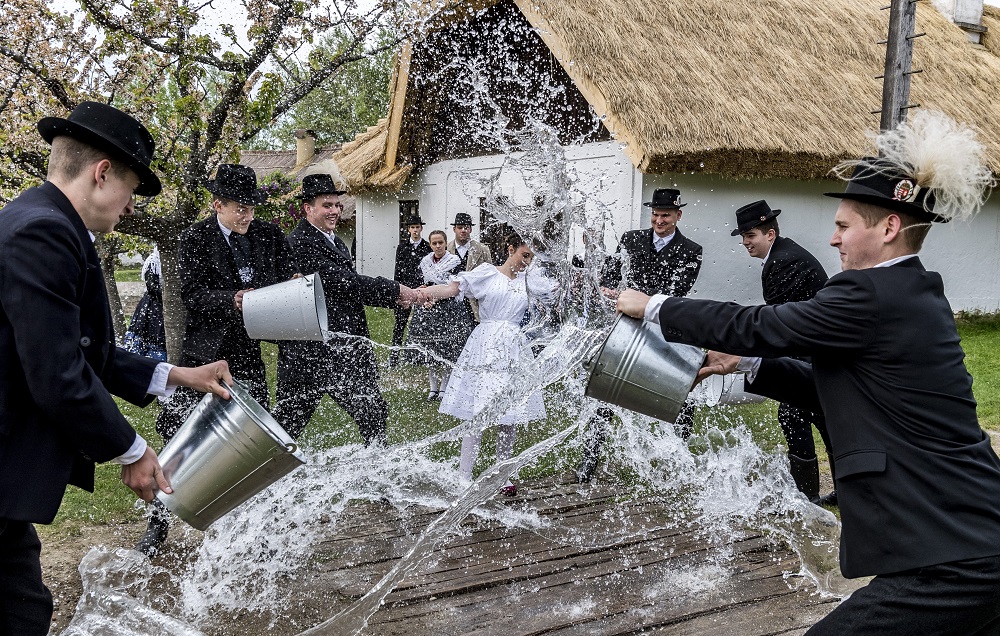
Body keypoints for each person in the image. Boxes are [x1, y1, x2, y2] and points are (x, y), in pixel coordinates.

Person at [617, 111, 1000, 635]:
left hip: (950, 557)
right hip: (967, 540)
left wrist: (656, 306)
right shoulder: (912, 292)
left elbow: (757, 323)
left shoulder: (868, 292)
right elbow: (829, 387)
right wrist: (745, 362)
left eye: (844, 226)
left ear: (888, 227)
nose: (834, 240)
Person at [0, 101, 232, 634]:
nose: (130, 208)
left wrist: (177, 374)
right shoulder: (44, 233)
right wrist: (131, 449)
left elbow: (83, 349)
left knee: (23, 607)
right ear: (102, 173)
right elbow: (58, 373)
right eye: (131, 190)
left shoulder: (43, 221)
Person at [143, 163, 300, 556]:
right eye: (239, 209)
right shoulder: (194, 238)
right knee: (180, 438)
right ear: (217, 204)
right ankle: (158, 524)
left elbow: (287, 277)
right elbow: (191, 298)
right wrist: (232, 299)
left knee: (254, 440)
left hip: (247, 355)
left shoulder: (269, 235)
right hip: (203, 356)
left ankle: (254, 528)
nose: (247, 216)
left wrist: (291, 288)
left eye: (251, 208)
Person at [273, 174, 425, 443]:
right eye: (327, 205)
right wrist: (394, 290)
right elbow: (340, 283)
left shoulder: (335, 240)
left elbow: (348, 288)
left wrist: (394, 296)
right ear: (308, 208)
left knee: (372, 413)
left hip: (345, 346)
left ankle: (379, 470)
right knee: (288, 422)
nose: (334, 211)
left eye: (337, 205)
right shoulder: (300, 243)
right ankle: (260, 477)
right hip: (312, 352)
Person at [578, 188, 704, 482]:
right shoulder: (631, 239)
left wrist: (640, 300)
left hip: (665, 327)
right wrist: (609, 288)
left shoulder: (692, 250)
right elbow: (610, 274)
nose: (659, 220)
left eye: (666, 216)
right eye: (656, 215)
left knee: (681, 389)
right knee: (607, 390)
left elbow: (678, 292)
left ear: (678, 216)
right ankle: (589, 459)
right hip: (627, 327)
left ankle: (679, 457)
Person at [422, 233, 556, 496]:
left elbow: (559, 296)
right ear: (510, 249)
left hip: (514, 350)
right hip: (484, 345)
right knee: (478, 413)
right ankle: (464, 476)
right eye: (524, 255)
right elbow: (453, 288)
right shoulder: (487, 273)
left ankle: (501, 473)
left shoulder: (532, 281)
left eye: (532, 258)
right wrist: (422, 293)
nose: (527, 262)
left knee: (509, 414)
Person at [733, 200, 835, 505]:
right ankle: (840, 489)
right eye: (743, 237)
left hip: (816, 350)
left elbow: (775, 321)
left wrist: (738, 348)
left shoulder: (783, 261)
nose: (745, 243)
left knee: (794, 413)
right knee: (821, 415)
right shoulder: (783, 254)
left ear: (770, 234)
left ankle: (806, 497)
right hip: (815, 349)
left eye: (750, 235)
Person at [407, 230, 475, 400]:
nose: (437, 246)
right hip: (427, 307)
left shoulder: (454, 261)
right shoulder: (425, 262)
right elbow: (422, 282)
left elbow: (452, 286)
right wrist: (425, 296)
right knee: (429, 349)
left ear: (446, 243)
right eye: (434, 243)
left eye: (440, 243)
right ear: (430, 245)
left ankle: (444, 386)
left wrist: (435, 298)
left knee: (446, 348)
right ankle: (433, 386)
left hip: (447, 308)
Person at [389, 214, 431, 366]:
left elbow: (428, 270)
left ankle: (421, 357)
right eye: (412, 227)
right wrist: (397, 291)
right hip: (405, 289)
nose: (415, 230)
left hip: (420, 289)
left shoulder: (427, 247)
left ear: (421, 228)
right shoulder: (402, 247)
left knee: (423, 323)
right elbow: (398, 270)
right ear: (408, 229)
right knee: (400, 323)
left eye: (417, 227)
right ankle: (394, 357)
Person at [447, 212, 493, 322]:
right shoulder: (446, 249)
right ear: (454, 229)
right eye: (460, 227)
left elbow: (490, 276)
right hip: (451, 301)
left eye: (466, 227)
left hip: (475, 302)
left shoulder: (482, 249)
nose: (463, 230)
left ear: (470, 230)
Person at [124, 246, 167, 361]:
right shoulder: (153, 261)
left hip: (163, 306)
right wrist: (167, 298)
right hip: (153, 307)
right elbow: (152, 287)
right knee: (151, 337)